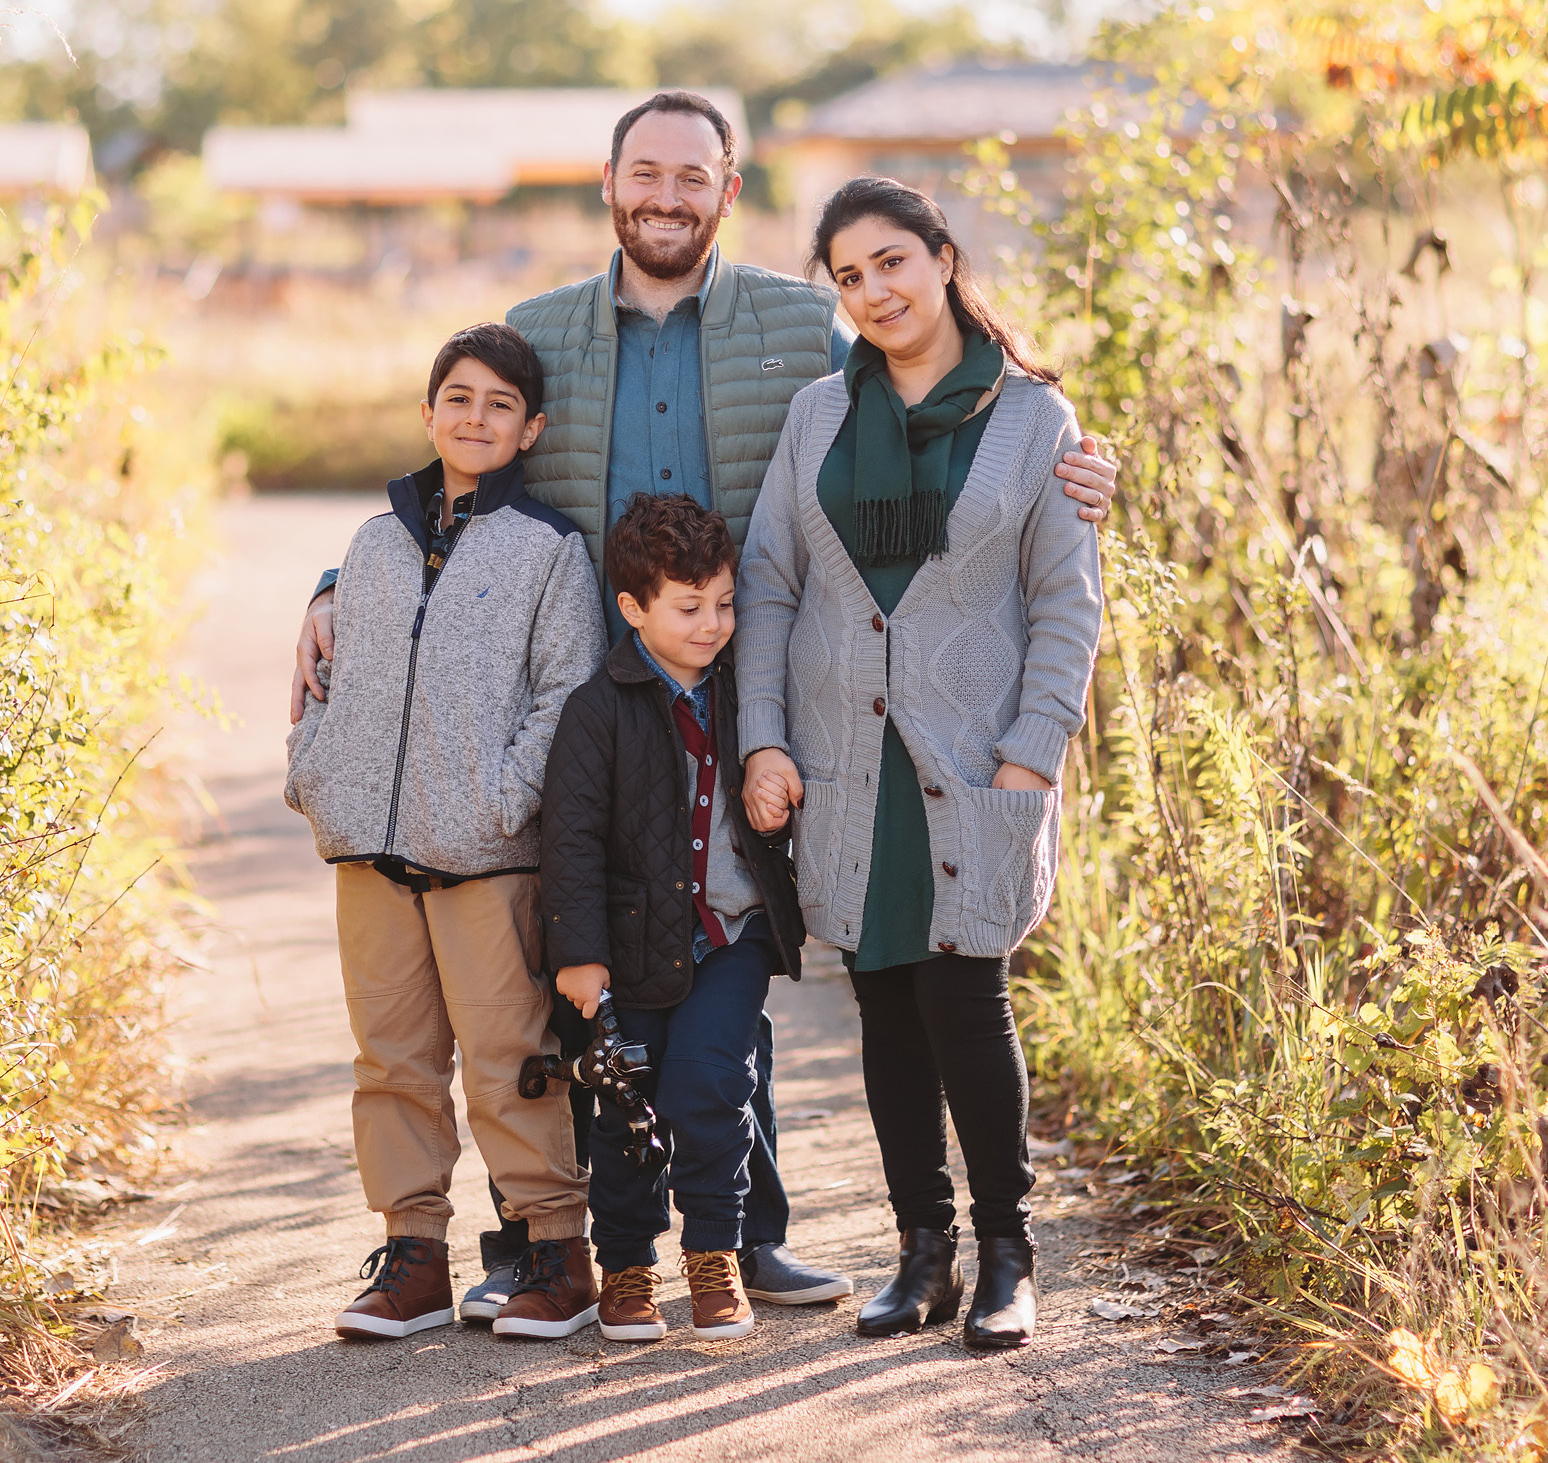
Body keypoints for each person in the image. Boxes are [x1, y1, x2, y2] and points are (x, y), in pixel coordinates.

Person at [291, 90, 1118, 1318]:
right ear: (609, 184)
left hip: (755, 683)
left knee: (736, 941)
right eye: (645, 173)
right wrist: (334, 584)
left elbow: (932, 399)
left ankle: (748, 1233)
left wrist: (1084, 461)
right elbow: (465, 462)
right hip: (597, 684)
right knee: (592, 951)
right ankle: (571, 1244)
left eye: (693, 176)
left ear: (729, 192)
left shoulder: (803, 327)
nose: (666, 196)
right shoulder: (541, 329)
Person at [736, 177, 1102, 1352]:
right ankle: (921, 1254)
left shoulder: (1033, 420)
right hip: (847, 763)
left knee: (964, 994)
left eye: (891, 262)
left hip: (973, 759)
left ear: (942, 259)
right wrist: (765, 737)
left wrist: (1031, 760)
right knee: (884, 1004)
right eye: (847, 276)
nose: (873, 291)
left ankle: (1008, 1254)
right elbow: (771, 584)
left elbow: (1064, 603)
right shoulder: (817, 419)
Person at [283, 322, 607, 1341]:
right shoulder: (373, 544)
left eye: (499, 405)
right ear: (429, 414)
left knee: (509, 1052)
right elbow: (326, 677)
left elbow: (565, 694)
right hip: (367, 849)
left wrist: (500, 801)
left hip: (484, 854)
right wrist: (315, 774)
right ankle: (412, 1252)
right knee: (389, 1059)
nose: (475, 418)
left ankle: (557, 1252)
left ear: (531, 428)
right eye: (458, 399)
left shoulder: (550, 550)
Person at [537, 494, 807, 1343]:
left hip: (732, 935)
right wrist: (578, 955)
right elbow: (570, 840)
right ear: (633, 608)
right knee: (625, 1107)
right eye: (689, 607)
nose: (713, 623)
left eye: (724, 603)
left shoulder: (747, 695)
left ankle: (716, 1254)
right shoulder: (597, 708)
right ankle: (624, 1264)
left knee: (711, 1087)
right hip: (627, 947)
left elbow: (780, 785)